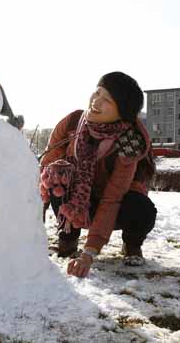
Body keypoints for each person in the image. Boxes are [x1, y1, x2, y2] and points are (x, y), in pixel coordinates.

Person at [40, 72, 157, 278]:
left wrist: (89, 253)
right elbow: (45, 167)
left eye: (107, 100)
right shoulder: (72, 123)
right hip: (78, 200)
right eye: (97, 92)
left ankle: (132, 244)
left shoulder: (130, 143)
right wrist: (34, 216)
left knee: (141, 208)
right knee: (56, 176)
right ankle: (67, 238)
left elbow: (113, 198)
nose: (96, 101)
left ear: (123, 111)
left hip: (117, 207)